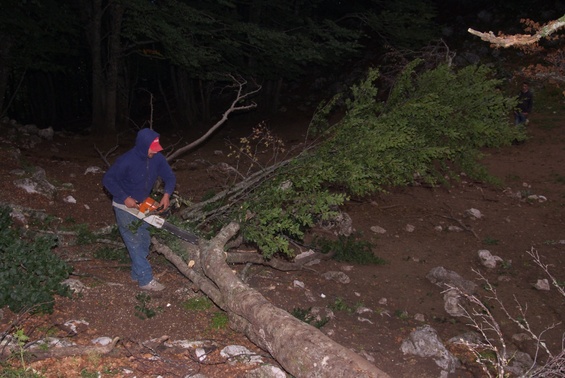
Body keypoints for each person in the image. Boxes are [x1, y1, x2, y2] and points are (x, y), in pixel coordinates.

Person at [102, 128, 176, 291]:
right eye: (152, 149)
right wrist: (124, 196)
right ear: (143, 146)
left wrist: (166, 194)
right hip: (124, 207)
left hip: (143, 205)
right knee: (134, 241)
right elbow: (108, 179)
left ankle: (136, 273)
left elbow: (170, 177)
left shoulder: (157, 158)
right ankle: (145, 279)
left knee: (143, 240)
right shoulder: (126, 160)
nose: (155, 152)